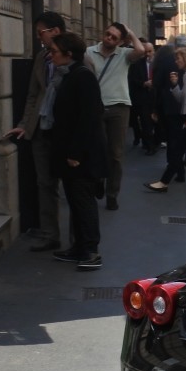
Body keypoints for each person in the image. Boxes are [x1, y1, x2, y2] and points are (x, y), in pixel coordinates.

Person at [45, 32, 108, 270]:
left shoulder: (83, 77)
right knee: (75, 200)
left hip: (82, 156)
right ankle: (79, 248)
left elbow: (89, 118)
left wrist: (76, 153)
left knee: (84, 203)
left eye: (54, 52)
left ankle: (91, 251)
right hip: (71, 153)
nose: (51, 56)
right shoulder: (70, 75)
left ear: (68, 54)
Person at [7, 11, 67, 253]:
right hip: (41, 128)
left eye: (41, 32)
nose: (39, 37)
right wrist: (24, 123)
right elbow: (33, 94)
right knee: (45, 183)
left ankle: (82, 242)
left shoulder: (77, 55)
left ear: (55, 31)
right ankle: (50, 233)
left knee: (73, 185)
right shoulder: (42, 58)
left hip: (65, 129)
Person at [84, 22, 146, 211]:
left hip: (119, 108)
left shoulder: (124, 55)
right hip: (97, 108)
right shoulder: (89, 52)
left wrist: (131, 33)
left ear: (120, 41)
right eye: (107, 34)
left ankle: (112, 194)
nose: (108, 38)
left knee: (116, 154)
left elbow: (141, 50)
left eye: (113, 37)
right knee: (96, 149)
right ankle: (98, 180)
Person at [144, 44, 186, 191]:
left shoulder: (165, 62)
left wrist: (155, 108)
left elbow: (157, 85)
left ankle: (175, 169)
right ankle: (180, 165)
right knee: (183, 141)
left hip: (170, 108)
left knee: (173, 140)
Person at [127, 42, 158, 154]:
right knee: (146, 122)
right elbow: (132, 80)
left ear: (153, 51)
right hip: (143, 97)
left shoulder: (158, 64)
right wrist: (144, 83)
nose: (148, 54)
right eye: (146, 52)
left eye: (150, 51)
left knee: (155, 122)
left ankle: (155, 141)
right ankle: (150, 146)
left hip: (156, 97)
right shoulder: (137, 64)